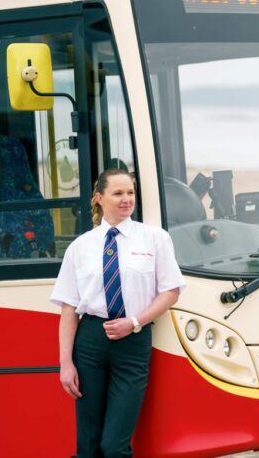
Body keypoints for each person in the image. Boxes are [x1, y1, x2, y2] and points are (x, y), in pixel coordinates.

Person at [51, 168, 185, 457]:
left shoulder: (154, 238)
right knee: (87, 445)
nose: (127, 200)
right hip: (89, 343)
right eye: (118, 193)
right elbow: (68, 308)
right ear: (100, 198)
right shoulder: (80, 247)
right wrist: (66, 364)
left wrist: (136, 322)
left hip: (133, 342)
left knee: (113, 446)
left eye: (130, 193)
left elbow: (171, 291)